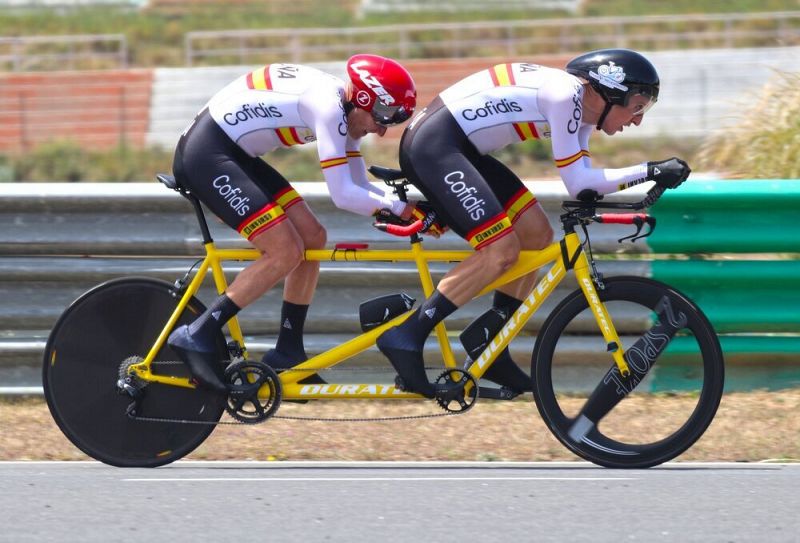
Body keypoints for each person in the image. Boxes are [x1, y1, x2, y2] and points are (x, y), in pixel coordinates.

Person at [377, 48, 691, 398]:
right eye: (637, 106)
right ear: (610, 90)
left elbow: (584, 183)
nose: (637, 120)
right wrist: (650, 170)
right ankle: (407, 335)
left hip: (460, 149)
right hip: (435, 148)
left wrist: (648, 175)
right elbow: (580, 184)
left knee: (537, 235)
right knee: (501, 250)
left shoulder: (583, 111)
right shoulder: (566, 96)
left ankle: (490, 342)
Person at [168, 54, 418, 393]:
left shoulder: (348, 114)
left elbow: (361, 188)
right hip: (207, 155)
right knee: (284, 251)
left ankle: (288, 350)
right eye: (383, 117)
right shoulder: (329, 110)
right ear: (362, 99)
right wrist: (398, 208)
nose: (383, 130)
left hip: (234, 154)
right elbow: (343, 195)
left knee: (313, 237)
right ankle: (197, 333)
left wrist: (405, 207)